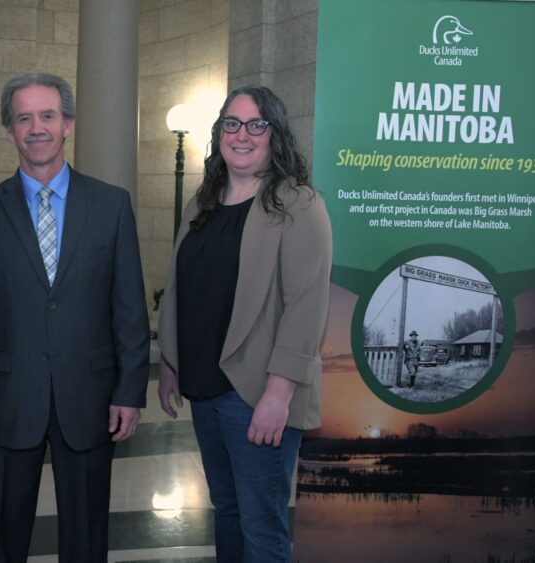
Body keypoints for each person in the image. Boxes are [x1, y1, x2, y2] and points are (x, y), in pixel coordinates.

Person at [0, 73, 150, 562]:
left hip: (89, 400)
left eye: (48, 116)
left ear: (67, 123)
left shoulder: (111, 206)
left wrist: (130, 392)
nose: (36, 127)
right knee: (3, 537)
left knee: (86, 540)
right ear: (9, 131)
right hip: (4, 403)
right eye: (23, 118)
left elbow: (128, 307)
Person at [157, 85, 332, 562]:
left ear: (275, 135)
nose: (242, 135)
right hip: (207, 390)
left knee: (261, 527)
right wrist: (171, 362)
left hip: (256, 395)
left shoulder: (298, 204)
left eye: (257, 125)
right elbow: (183, 288)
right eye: (231, 124)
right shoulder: (203, 203)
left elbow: (306, 307)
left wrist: (278, 395)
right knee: (228, 513)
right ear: (218, 135)